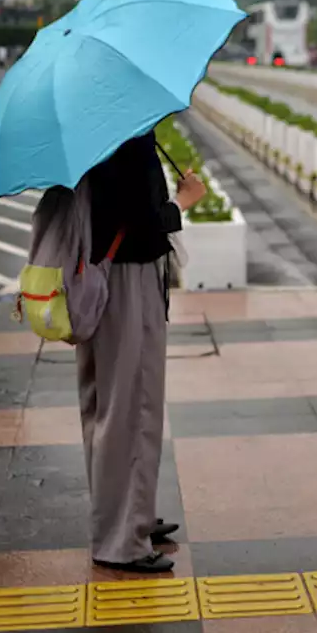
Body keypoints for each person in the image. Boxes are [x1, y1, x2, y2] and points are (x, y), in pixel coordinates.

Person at [76, 130, 206, 572]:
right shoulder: (124, 139)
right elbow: (142, 221)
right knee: (131, 407)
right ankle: (122, 540)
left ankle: (130, 517)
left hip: (107, 276)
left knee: (108, 404)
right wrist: (182, 202)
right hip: (127, 279)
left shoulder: (102, 129)